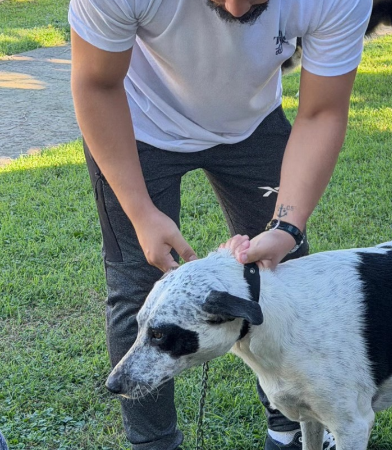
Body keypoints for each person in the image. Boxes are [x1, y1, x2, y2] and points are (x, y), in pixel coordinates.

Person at [68, 0, 371, 448]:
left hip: (252, 123)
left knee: (280, 278)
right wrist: (140, 211)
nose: (235, 7)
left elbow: (322, 112)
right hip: (138, 124)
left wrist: (287, 227)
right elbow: (96, 83)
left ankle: (289, 425)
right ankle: (153, 444)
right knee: (137, 287)